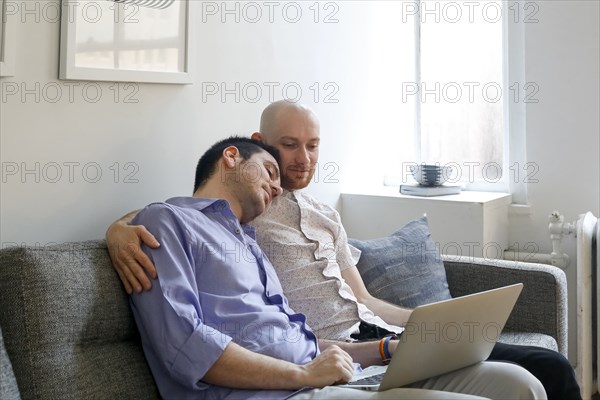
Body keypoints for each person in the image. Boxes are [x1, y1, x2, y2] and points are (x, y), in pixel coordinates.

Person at [106, 103, 576, 398]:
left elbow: (351, 309)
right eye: (281, 152)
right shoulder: (187, 220)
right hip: (294, 381)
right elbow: (170, 221)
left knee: (527, 380)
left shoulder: (258, 236)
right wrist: (117, 228)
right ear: (242, 150)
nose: (298, 162)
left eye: (312, 146)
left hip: (349, 350)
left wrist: (420, 334)